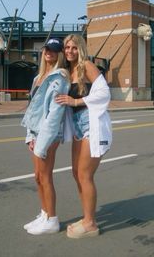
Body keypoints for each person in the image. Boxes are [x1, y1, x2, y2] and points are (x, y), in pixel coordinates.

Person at [56, 34, 112, 239]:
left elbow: (104, 93)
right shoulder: (69, 70)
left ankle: (90, 224)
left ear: (81, 49)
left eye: (74, 48)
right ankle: (87, 216)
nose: (70, 51)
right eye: (67, 47)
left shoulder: (87, 65)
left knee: (85, 175)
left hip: (91, 123)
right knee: (76, 173)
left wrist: (75, 102)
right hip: (78, 125)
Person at [21, 38, 70, 235]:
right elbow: (32, 110)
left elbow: (54, 116)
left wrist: (41, 143)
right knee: (37, 177)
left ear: (59, 54)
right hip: (35, 132)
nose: (49, 52)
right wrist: (30, 136)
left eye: (54, 50)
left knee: (45, 176)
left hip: (48, 135)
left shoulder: (60, 78)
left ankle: (52, 220)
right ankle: (44, 213)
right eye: (46, 49)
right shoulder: (39, 77)